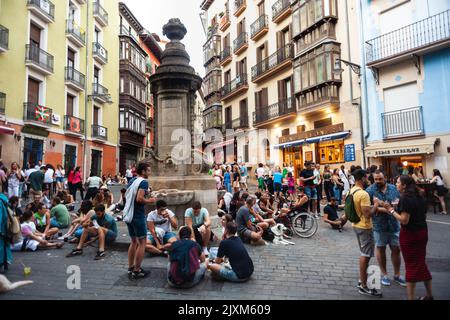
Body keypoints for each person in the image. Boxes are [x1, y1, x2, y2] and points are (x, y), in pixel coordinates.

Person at [381, 176, 433, 300]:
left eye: (398, 182)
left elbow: (404, 220)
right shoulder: (419, 195)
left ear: (404, 185)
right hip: (422, 232)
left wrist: (391, 210)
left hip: (410, 235)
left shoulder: (405, 198)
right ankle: (430, 296)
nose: (396, 184)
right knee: (421, 263)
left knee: (411, 265)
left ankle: (410, 298)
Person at [366, 171, 406, 287]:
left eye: (380, 179)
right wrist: (388, 209)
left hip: (394, 225)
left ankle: (397, 275)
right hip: (379, 225)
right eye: (376, 179)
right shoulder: (370, 191)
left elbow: (398, 206)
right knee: (381, 249)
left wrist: (380, 207)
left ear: (385, 178)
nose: (378, 181)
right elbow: (369, 209)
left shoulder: (394, 189)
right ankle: (384, 275)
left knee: (396, 249)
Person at [350, 169, 382, 297]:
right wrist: (375, 204)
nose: (368, 179)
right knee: (365, 255)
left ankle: (362, 280)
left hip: (356, 224)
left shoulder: (352, 191)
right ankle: (363, 285)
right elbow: (368, 214)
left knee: (364, 253)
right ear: (362, 178)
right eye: (367, 177)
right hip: (364, 227)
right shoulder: (363, 194)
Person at [123, 162, 157, 279]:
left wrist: (146, 191)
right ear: (143, 171)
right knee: (142, 243)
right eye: (148, 170)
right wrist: (150, 200)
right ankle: (137, 270)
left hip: (128, 215)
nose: (149, 172)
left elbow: (132, 194)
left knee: (133, 242)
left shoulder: (133, 180)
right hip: (137, 215)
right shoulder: (143, 181)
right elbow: (139, 198)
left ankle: (131, 267)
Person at [0, 193, 13, 269]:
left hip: (1, 228)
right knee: (4, 245)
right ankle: (5, 261)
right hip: (4, 228)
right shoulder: (3, 198)